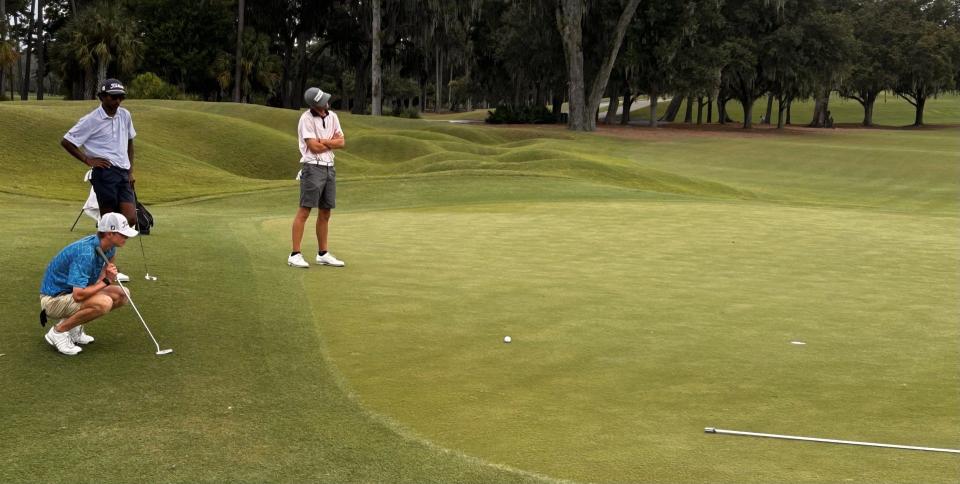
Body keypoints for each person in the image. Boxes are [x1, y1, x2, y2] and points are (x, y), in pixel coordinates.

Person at [39, 212, 138, 356]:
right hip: (53, 300)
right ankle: (58, 332)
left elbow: (97, 281)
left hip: (69, 295)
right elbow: (79, 295)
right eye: (123, 234)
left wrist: (107, 277)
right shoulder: (85, 253)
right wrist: (106, 281)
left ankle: (73, 329)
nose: (127, 237)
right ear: (109, 234)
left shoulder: (110, 248)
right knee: (103, 303)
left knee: (122, 294)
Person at [61, 78, 138, 228]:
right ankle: (103, 248)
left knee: (131, 218)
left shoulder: (125, 115)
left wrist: (130, 171)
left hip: (123, 173)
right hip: (105, 173)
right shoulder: (91, 120)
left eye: (121, 97)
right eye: (113, 97)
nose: (117, 101)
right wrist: (87, 160)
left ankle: (105, 240)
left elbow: (130, 142)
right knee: (109, 220)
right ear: (102, 97)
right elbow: (67, 141)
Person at [288, 87, 346, 268]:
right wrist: (330, 142)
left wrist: (323, 141)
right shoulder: (306, 119)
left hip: (330, 168)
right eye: (324, 100)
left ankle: (323, 253)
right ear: (317, 104)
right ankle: (295, 254)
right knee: (305, 210)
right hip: (312, 168)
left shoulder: (333, 117)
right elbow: (313, 148)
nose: (328, 102)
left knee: (325, 211)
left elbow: (342, 142)